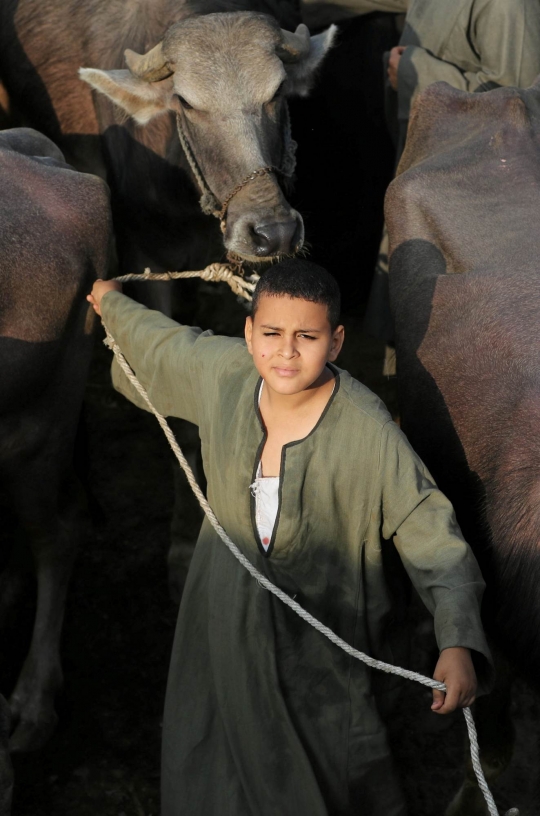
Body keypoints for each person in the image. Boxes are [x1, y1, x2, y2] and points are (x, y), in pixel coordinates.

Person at [88, 259, 492, 816]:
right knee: (213, 754)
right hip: (220, 620)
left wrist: (458, 640)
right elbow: (164, 345)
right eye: (272, 334)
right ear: (249, 333)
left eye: (307, 336)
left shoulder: (368, 432)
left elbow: (434, 536)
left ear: (336, 341)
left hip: (319, 651)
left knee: (322, 773)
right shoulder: (225, 375)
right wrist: (111, 301)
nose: (286, 352)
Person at [301, 0, 540, 364]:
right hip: (427, 180)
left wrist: (416, 73)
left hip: (471, 209)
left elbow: (517, 104)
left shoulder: (508, 5)